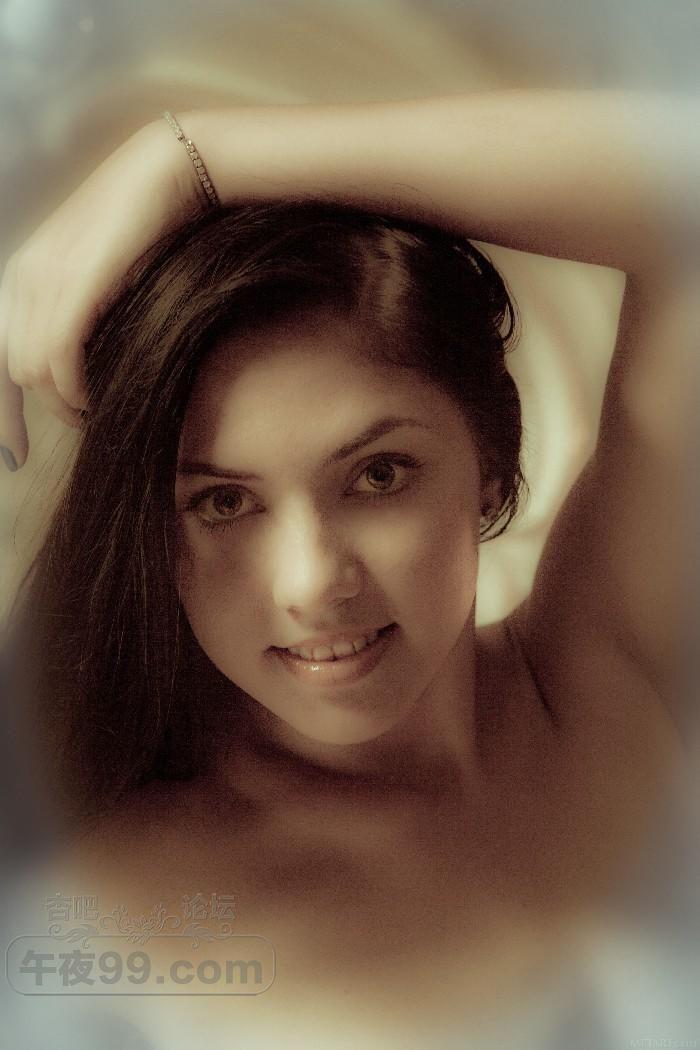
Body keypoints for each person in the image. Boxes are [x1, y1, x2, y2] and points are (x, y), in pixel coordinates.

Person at [0, 91, 696, 1036]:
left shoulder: (601, 674)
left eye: (378, 475)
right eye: (223, 502)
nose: (312, 583)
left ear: (492, 464)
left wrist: (193, 159)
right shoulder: (118, 912)